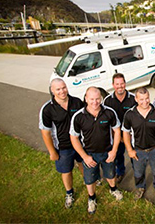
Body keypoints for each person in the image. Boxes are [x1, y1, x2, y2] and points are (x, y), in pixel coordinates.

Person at [70, 87, 123, 214]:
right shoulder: (78, 117)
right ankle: (92, 198)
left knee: (110, 174)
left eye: (98, 99)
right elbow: (74, 138)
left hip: (107, 152)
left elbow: (117, 131)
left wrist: (114, 150)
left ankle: (113, 189)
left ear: (101, 98)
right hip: (89, 154)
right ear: (86, 99)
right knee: (90, 179)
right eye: (92, 99)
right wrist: (84, 156)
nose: (95, 102)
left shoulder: (109, 112)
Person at [39, 78, 84, 209]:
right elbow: (45, 132)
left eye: (63, 87)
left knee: (84, 164)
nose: (62, 91)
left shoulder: (77, 102)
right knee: (66, 171)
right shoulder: (47, 109)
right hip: (63, 147)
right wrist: (52, 151)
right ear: (52, 91)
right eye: (58, 89)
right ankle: (69, 193)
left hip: (80, 143)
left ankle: (90, 181)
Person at [122, 87, 155, 200]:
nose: (145, 102)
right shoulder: (129, 114)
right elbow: (126, 133)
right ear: (136, 99)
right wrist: (129, 150)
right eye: (141, 99)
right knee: (138, 172)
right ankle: (140, 188)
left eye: (147, 98)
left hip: (154, 149)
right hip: (138, 150)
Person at [103, 73, 137, 184]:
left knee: (134, 155)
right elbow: (106, 121)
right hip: (116, 135)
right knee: (118, 155)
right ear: (113, 85)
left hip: (131, 135)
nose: (120, 86)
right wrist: (117, 136)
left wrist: (131, 134)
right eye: (117, 84)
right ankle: (120, 172)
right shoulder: (107, 101)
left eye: (122, 83)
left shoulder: (133, 99)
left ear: (125, 84)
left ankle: (137, 173)